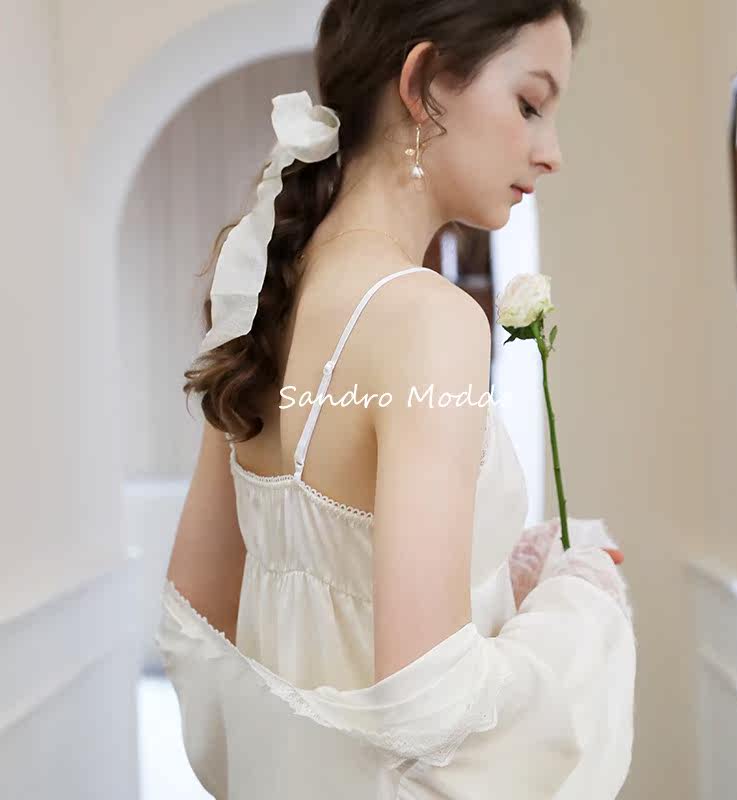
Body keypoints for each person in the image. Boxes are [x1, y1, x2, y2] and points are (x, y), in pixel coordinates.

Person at [155, 1, 637, 797]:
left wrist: (494, 587)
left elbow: (198, 627)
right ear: (422, 82)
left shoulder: (264, 292)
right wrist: (577, 603)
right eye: (529, 104)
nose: (551, 152)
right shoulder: (427, 319)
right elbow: (430, 711)